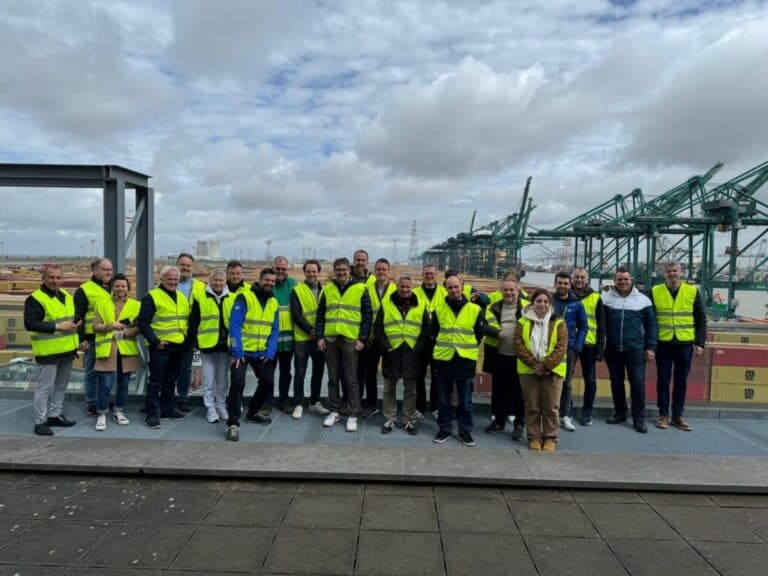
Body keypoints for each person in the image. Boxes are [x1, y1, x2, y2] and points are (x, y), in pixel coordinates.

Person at [316, 257, 373, 433]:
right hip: (331, 339)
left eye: (344, 269)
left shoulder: (360, 288)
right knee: (333, 377)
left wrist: (362, 339)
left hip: (350, 339)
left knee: (351, 379)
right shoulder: (327, 289)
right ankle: (334, 411)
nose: (341, 272)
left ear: (350, 270)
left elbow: (367, 315)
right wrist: (319, 336)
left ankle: (352, 413)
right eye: (338, 269)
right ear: (334, 271)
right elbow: (321, 315)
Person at [24, 265, 82, 436]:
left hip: (67, 350)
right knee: (44, 388)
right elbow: (30, 323)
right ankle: (40, 422)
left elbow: (70, 317)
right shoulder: (36, 299)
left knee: (61, 386)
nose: (55, 281)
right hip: (48, 352)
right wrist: (58, 326)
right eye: (51, 277)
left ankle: (54, 415)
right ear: (43, 278)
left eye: (58, 277)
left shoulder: (65, 295)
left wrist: (77, 323)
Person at [650, 262, 706, 431]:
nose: (672, 274)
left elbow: (700, 319)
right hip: (663, 344)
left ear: (681, 272)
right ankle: (663, 415)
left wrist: (700, 343)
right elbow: (650, 320)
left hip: (685, 344)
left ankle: (677, 416)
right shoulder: (654, 291)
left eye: (675, 271)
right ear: (664, 274)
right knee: (663, 381)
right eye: (669, 271)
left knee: (681, 382)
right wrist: (651, 345)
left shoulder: (692, 291)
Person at [226, 268, 280, 441]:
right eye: (267, 280)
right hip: (241, 352)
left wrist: (270, 352)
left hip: (261, 352)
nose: (270, 283)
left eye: (272, 281)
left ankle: (252, 412)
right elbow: (234, 325)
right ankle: (233, 423)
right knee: (237, 383)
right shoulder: (245, 297)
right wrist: (237, 351)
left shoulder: (273, 303)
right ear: (260, 280)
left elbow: (275, 329)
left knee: (268, 381)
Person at [601, 267, 657, 433]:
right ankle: (620, 413)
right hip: (612, 349)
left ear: (631, 280)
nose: (623, 282)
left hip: (636, 349)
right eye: (620, 279)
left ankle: (639, 418)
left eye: (626, 279)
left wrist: (651, 347)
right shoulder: (605, 298)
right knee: (616, 382)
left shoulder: (643, 300)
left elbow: (652, 325)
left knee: (638, 384)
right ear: (614, 281)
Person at [431, 275, 485, 447]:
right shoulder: (439, 310)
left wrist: (465, 346)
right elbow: (434, 333)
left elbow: (478, 334)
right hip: (444, 358)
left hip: (465, 359)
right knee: (443, 398)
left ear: (462, 287)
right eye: (450, 287)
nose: (453, 290)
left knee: (465, 399)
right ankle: (445, 429)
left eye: (456, 287)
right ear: (445, 289)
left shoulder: (475, 310)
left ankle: (464, 430)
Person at [513, 288, 568, 452]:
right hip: (528, 371)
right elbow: (518, 344)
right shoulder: (523, 321)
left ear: (550, 303)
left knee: (551, 407)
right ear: (533, 303)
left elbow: (561, 347)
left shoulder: (558, 322)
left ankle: (550, 438)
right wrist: (533, 364)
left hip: (552, 371)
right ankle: (534, 437)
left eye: (545, 301)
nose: (542, 304)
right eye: (538, 301)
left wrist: (544, 366)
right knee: (532, 406)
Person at [374, 275, 429, 435]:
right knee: (389, 387)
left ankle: (408, 420)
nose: (405, 290)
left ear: (412, 288)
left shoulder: (420, 305)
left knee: (410, 389)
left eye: (408, 287)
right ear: (397, 287)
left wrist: (418, 347)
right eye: (402, 287)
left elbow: (426, 330)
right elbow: (377, 328)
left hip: (412, 352)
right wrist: (386, 346)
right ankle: (389, 419)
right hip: (392, 351)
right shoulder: (386, 304)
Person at [138, 265, 190, 428]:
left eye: (176, 279)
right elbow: (143, 323)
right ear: (161, 279)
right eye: (170, 279)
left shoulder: (181, 297)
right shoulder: (152, 297)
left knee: (171, 380)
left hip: (178, 346)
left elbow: (184, 320)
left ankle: (168, 408)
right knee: (156, 382)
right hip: (161, 347)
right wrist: (155, 342)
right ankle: (152, 414)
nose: (173, 282)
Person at [92, 273, 141, 430]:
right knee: (105, 384)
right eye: (117, 285)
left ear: (128, 288)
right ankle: (102, 413)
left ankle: (119, 410)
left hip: (126, 349)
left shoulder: (136, 305)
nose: (120, 288)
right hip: (108, 348)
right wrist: (111, 326)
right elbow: (95, 326)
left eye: (123, 286)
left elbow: (139, 327)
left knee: (124, 384)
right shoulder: (101, 303)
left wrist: (126, 332)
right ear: (112, 287)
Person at [483, 277, 527, 440]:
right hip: (499, 355)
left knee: (519, 392)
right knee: (499, 391)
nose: (509, 293)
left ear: (518, 291)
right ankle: (499, 422)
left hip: (520, 357)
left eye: (512, 290)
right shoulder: (493, 307)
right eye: (506, 290)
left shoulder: (526, 307)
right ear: (501, 292)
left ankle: (519, 424)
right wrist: (496, 333)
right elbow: (484, 325)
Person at [188, 269, 233, 424]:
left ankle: (221, 405)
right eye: (215, 280)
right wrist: (194, 343)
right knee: (208, 380)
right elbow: (193, 322)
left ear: (225, 282)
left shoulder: (232, 298)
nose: (218, 283)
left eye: (221, 280)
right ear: (210, 281)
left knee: (222, 380)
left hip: (225, 346)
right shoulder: (200, 298)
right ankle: (210, 408)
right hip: (207, 345)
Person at [290, 259, 328, 418]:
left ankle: (314, 402)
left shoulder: (325, 291)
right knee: (300, 371)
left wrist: (319, 334)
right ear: (304, 272)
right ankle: (298, 403)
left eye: (314, 271)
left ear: (318, 273)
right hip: (303, 338)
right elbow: (296, 314)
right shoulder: (297, 290)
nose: (312, 274)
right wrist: (311, 331)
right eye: (309, 271)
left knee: (318, 371)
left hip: (320, 339)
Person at [74, 258, 113, 415]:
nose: (109, 272)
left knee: (108, 371)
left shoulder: (112, 287)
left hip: (110, 336)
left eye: (110, 269)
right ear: (94, 270)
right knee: (92, 372)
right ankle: (91, 403)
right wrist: (81, 339)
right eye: (105, 269)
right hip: (92, 338)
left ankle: (103, 400)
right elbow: (78, 317)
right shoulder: (84, 290)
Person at [552, 271, 587, 432]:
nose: (563, 286)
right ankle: (549, 414)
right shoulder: (549, 300)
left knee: (566, 383)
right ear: (555, 283)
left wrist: (578, 345)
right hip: (550, 348)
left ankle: (565, 415)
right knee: (547, 380)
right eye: (560, 283)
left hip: (569, 348)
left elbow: (583, 327)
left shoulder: (577, 304)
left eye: (565, 283)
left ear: (569, 284)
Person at [361, 258, 395, 416]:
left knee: (389, 374)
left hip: (387, 339)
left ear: (389, 272)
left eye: (384, 270)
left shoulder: (395, 290)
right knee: (369, 373)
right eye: (379, 269)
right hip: (371, 339)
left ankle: (389, 407)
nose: (381, 272)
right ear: (374, 271)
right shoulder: (366, 288)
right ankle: (372, 404)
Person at [412, 264, 447, 417]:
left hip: (438, 340)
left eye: (432, 273)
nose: (429, 276)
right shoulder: (415, 293)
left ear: (437, 275)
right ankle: (419, 407)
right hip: (420, 339)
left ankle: (435, 407)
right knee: (418, 375)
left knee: (437, 375)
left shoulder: (444, 293)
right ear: (422, 274)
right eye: (426, 273)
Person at [571, 267, 604, 426]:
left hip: (589, 344)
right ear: (572, 279)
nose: (579, 280)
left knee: (590, 380)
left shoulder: (597, 298)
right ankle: (566, 411)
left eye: (582, 277)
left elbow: (601, 325)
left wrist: (600, 347)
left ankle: (587, 412)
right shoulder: (565, 296)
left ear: (587, 280)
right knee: (565, 380)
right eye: (576, 277)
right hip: (569, 343)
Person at [174, 252, 205, 412]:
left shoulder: (200, 287)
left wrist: (197, 339)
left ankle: (183, 398)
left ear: (193, 267)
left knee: (185, 369)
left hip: (190, 335)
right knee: (169, 367)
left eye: (188, 265)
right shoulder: (168, 283)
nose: (185, 268)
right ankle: (167, 397)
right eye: (182, 265)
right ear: (177, 265)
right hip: (170, 334)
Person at [273, 256, 298, 414]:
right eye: (278, 268)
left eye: (283, 269)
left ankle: (284, 401)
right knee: (267, 374)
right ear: (273, 268)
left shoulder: (293, 285)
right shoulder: (267, 284)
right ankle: (266, 403)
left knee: (285, 373)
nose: (281, 271)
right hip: (271, 340)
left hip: (288, 340)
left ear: (287, 270)